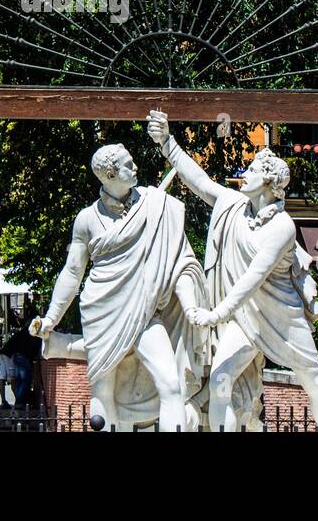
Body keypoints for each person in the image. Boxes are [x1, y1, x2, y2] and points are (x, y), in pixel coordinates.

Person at [148, 110, 318, 432]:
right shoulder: (233, 205)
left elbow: (253, 278)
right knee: (221, 379)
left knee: (313, 380)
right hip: (245, 317)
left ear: (268, 183)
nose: (244, 174)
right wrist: (167, 142)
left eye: (252, 170)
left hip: (281, 315)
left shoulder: (282, 227)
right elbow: (199, 182)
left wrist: (215, 314)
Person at [30, 142, 207, 431]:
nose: (135, 167)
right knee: (103, 392)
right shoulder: (87, 219)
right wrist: (52, 317)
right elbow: (73, 271)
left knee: (171, 385)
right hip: (102, 313)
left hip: (146, 313)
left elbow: (179, 260)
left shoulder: (155, 205)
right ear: (109, 175)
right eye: (127, 165)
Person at [0, 324, 42, 408]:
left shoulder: (25, 331)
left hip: (11, 354)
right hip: (15, 355)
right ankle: (19, 401)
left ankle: (17, 401)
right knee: (23, 380)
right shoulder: (36, 336)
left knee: (18, 379)